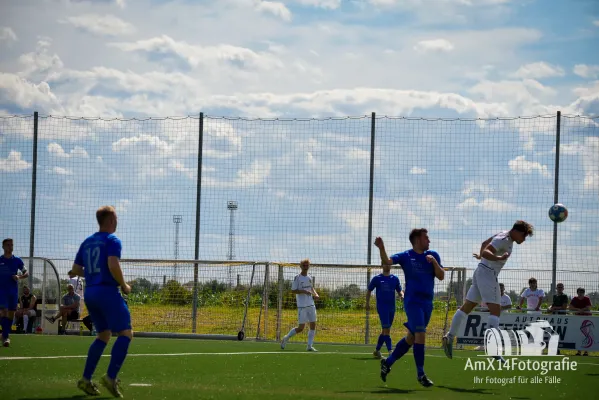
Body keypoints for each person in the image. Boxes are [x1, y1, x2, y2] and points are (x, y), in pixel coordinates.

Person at [442, 220, 534, 360]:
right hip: (488, 274)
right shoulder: (504, 239)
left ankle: (449, 337)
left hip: (481, 271)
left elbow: (484, 244)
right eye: (524, 236)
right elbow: (487, 250)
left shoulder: (502, 235)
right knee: (496, 310)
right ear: (518, 232)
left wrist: (481, 256)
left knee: (467, 307)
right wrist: (496, 257)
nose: (524, 239)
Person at [70, 206, 132, 397]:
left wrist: (93, 273)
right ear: (111, 220)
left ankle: (86, 379)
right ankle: (111, 377)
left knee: (103, 335)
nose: (117, 222)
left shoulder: (87, 241)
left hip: (91, 293)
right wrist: (123, 284)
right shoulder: (112, 240)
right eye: (116, 218)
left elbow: (75, 269)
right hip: (107, 292)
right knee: (126, 333)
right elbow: (113, 264)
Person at [374, 229, 445, 388]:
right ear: (417, 240)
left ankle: (388, 362)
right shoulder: (406, 256)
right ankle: (421, 374)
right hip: (412, 302)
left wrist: (433, 261)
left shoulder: (433, 255)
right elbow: (387, 262)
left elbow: (441, 276)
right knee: (420, 334)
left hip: (428, 303)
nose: (429, 241)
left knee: (411, 338)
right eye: (426, 238)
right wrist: (381, 248)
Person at [280, 259, 320, 352]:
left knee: (313, 324)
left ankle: (309, 346)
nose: (306, 267)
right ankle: (286, 338)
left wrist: (316, 294)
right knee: (301, 328)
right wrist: (303, 291)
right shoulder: (297, 278)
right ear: (301, 266)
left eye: (307, 265)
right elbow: (293, 290)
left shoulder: (309, 277)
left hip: (311, 305)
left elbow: (312, 288)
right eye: (304, 265)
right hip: (302, 306)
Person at [366, 263, 403, 358]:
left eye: (389, 264)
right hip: (382, 308)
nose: (387, 266)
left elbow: (399, 290)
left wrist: (402, 295)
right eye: (385, 264)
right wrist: (367, 303)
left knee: (385, 331)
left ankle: (377, 351)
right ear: (382, 265)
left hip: (392, 307)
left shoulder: (394, 279)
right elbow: (369, 290)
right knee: (386, 330)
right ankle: (391, 351)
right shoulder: (377, 278)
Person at [0, 238, 29, 347]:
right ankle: (6, 337)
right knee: (3, 311)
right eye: (7, 245)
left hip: (13, 291)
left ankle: (4, 334)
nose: (10, 247)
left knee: (11, 314)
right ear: (3, 247)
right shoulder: (0, 260)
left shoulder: (17, 260)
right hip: (1, 291)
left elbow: (26, 273)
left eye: (11, 245)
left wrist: (19, 276)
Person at [570, 287, 592, 356]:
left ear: (584, 293)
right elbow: (570, 307)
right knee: (578, 335)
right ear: (577, 292)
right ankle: (578, 351)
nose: (581, 293)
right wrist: (578, 309)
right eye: (579, 292)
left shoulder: (587, 299)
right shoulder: (574, 299)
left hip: (586, 319)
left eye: (582, 292)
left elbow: (588, 307)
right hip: (578, 318)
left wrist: (582, 310)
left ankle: (586, 351)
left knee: (586, 335)